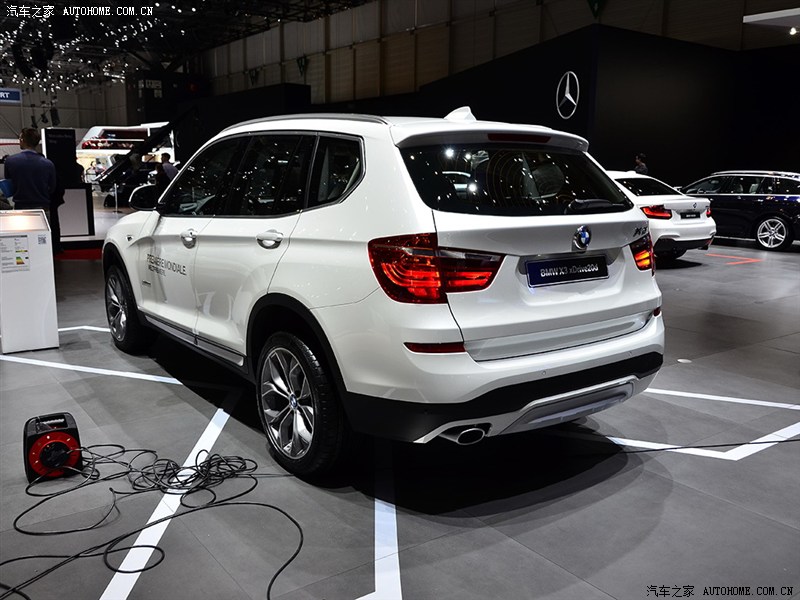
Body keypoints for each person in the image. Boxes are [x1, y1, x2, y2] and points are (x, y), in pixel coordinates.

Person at [3, 128, 57, 220]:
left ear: (22, 140)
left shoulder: (10, 161)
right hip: (42, 209)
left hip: (20, 208)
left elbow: (9, 185)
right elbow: (52, 188)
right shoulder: (48, 164)